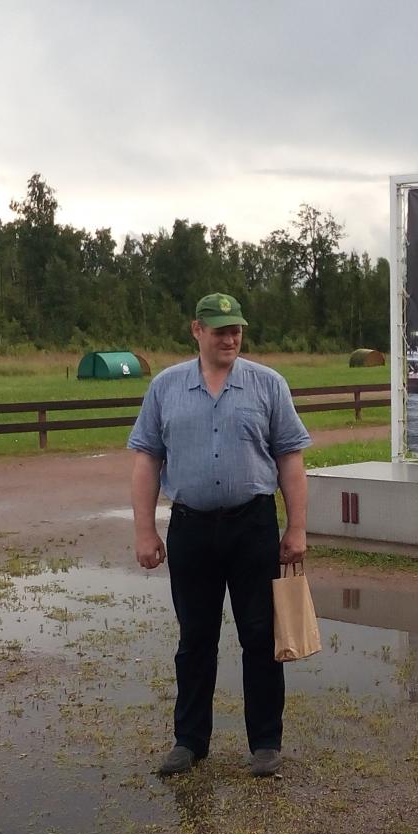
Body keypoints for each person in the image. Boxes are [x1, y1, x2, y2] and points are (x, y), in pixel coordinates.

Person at [128, 292, 311, 778]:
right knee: (195, 638)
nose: (230, 339)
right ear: (197, 330)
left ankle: (265, 743)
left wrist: (296, 527)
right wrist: (145, 531)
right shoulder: (165, 387)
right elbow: (147, 459)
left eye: (236, 330)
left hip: (252, 526)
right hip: (190, 528)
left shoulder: (268, 384)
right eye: (220, 331)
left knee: (260, 636)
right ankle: (189, 741)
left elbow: (290, 458)